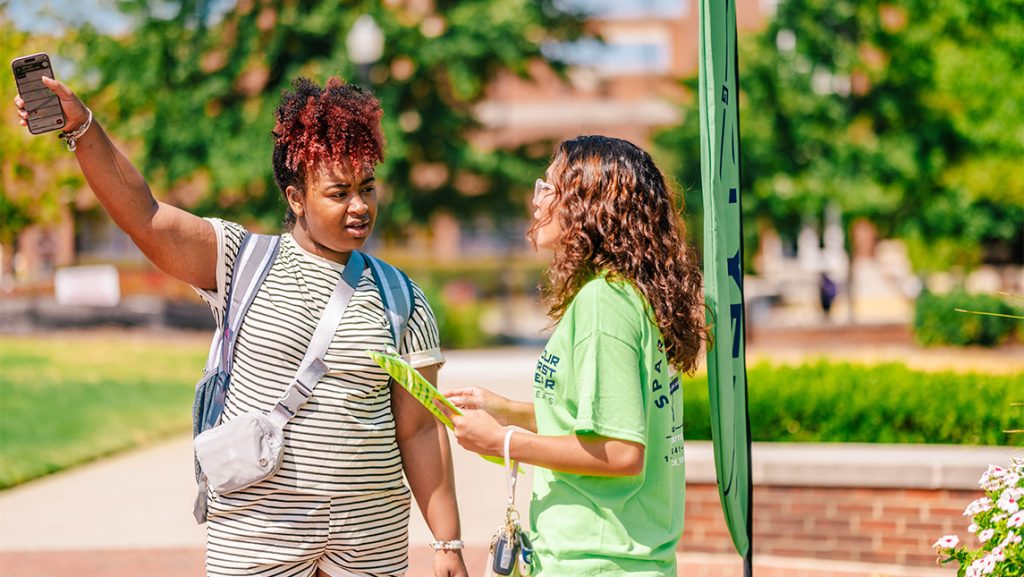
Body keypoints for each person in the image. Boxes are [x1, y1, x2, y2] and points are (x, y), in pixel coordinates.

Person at [15, 76, 468, 577]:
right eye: (338, 193)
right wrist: (83, 129)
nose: (359, 206)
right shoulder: (241, 261)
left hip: (368, 547)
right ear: (296, 198)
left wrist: (447, 541)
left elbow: (421, 429)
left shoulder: (401, 296)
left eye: (367, 188)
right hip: (259, 542)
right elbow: (144, 217)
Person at [443, 135, 708, 576]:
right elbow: (597, 421)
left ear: (589, 206)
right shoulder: (625, 296)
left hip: (597, 564)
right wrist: (507, 411)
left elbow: (622, 451)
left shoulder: (604, 304)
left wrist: (502, 442)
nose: (536, 200)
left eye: (548, 188)